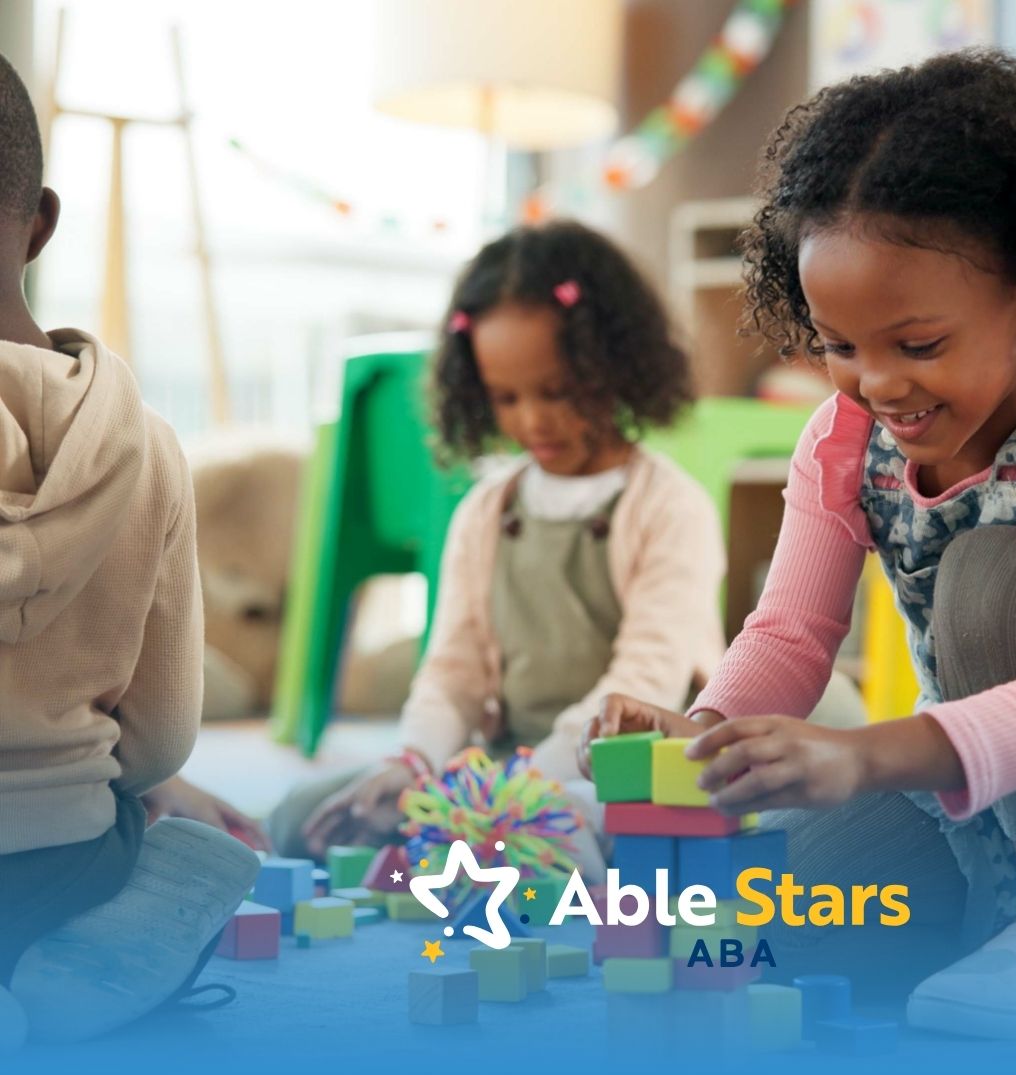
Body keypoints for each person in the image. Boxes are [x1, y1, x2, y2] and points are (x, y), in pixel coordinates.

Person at [584, 49, 1016, 1039]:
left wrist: (861, 756)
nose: (877, 385)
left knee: (993, 573)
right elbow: (786, 634)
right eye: (837, 344)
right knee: (805, 928)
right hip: (994, 776)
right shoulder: (844, 437)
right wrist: (701, 741)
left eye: (916, 345)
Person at [269, 221, 726, 870]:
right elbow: (452, 668)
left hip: (621, 771)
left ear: (615, 364)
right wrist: (416, 764)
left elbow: (644, 678)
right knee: (300, 816)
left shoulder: (671, 506)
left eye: (557, 391)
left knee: (570, 829)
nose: (532, 420)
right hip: (504, 765)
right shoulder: (486, 509)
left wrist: (507, 793)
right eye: (506, 397)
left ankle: (501, 848)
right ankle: (477, 840)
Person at [0, 55, 259, 1051]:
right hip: (71, 856)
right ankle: (90, 948)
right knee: (123, 847)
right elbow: (159, 739)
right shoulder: (146, 443)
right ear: (41, 221)